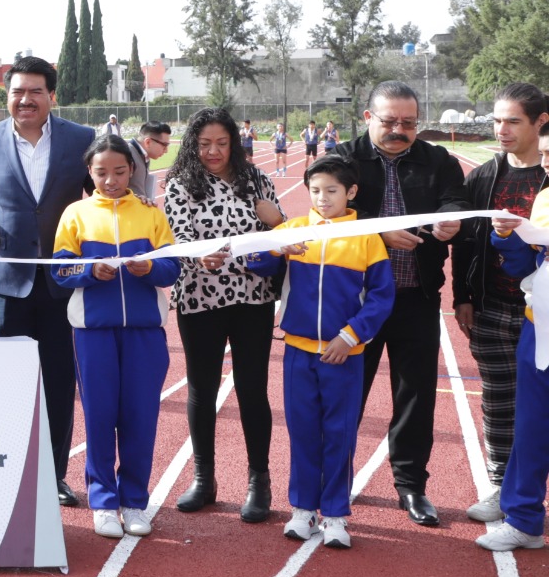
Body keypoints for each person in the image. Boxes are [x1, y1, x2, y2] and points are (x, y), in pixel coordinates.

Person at [331, 80, 467, 526]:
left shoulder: (438, 160)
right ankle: (334, 480)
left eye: (409, 123)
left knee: (416, 396)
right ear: (368, 117)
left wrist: (450, 220)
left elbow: (456, 200)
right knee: (347, 394)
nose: (399, 130)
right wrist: (378, 232)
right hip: (356, 302)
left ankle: (411, 485)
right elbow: (324, 215)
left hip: (417, 297)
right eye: (390, 121)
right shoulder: (343, 159)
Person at [247, 155, 395, 550]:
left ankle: (335, 513)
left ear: (351, 192)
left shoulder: (367, 237)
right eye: (315, 191)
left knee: (339, 434)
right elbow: (253, 261)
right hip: (298, 352)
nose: (322, 198)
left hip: (343, 354)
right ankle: (303, 509)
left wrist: (350, 336)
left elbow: (381, 296)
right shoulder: (293, 230)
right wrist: (276, 250)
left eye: (331, 190)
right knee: (302, 432)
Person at [0, 55, 95, 507]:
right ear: (8, 96)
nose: (25, 100)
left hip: (63, 282)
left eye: (35, 91)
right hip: (7, 282)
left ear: (51, 96)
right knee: (9, 384)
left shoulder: (82, 139)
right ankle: (11, 474)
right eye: (17, 92)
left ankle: (54, 475)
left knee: (59, 383)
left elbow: (103, 199)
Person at [52, 134, 179, 538]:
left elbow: (172, 267)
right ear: (89, 172)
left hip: (144, 332)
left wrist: (150, 269)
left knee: (141, 418)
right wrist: (91, 271)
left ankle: (134, 501)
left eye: (120, 171)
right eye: (101, 172)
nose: (110, 180)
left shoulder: (150, 213)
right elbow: (59, 270)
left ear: (133, 170)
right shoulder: (75, 214)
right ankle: (104, 502)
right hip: (93, 332)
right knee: (100, 418)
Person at [162, 107, 286, 522]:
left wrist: (278, 222)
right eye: (204, 144)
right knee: (202, 389)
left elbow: (284, 236)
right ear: (192, 145)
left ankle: (259, 481)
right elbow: (178, 237)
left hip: (253, 298)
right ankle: (204, 478)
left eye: (221, 143)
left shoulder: (258, 180)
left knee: (252, 389)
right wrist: (200, 258)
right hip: (199, 298)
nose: (213, 151)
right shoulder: (180, 184)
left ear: (234, 142)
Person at [452, 83, 549, 523]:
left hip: (541, 313)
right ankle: (500, 486)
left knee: (538, 410)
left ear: (540, 122)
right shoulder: (483, 178)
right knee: (499, 402)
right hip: (491, 305)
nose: (501, 130)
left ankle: (528, 494)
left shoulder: (548, 174)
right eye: (496, 120)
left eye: (512, 121)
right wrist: (463, 296)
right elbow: (466, 243)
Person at [477, 142, 549, 552]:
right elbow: (527, 266)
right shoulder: (544, 198)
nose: (547, 162)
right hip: (538, 329)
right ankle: (523, 518)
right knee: (531, 426)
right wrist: (506, 236)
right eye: (545, 153)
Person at [127, 121, 172, 202]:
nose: (166, 151)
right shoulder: (126, 155)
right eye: (164, 145)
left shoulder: (144, 155)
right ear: (148, 142)